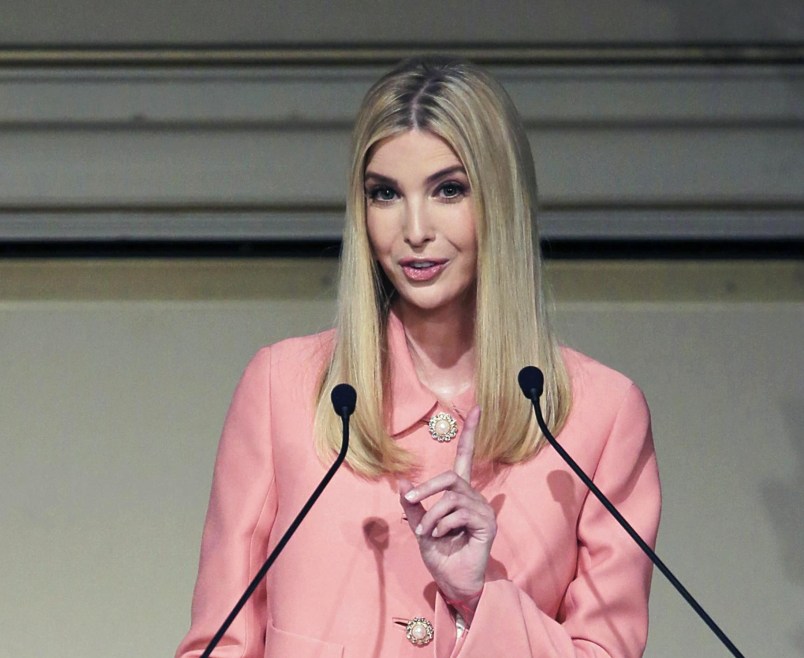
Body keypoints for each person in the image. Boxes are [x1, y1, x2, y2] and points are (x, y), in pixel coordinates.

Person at [175, 56, 660, 658]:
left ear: (502, 202)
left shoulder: (601, 415)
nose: (414, 229)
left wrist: (479, 598)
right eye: (385, 194)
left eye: (448, 190)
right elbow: (218, 645)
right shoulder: (283, 388)